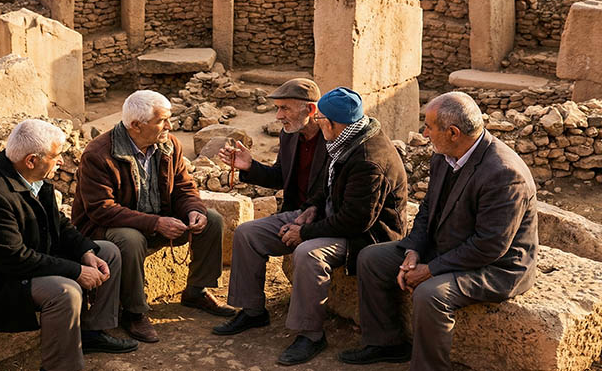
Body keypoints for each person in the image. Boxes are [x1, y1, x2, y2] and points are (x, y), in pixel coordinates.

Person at [339, 92, 538, 371]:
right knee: (371, 259)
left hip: (497, 266)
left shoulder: (503, 174)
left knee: (430, 293)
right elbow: (427, 211)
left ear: (453, 132)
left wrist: (430, 269)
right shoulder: (444, 157)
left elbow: (490, 246)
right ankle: (386, 343)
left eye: (429, 127)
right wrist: (413, 250)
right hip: (447, 248)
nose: (424, 132)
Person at [213, 87, 408, 366]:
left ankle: (310, 335)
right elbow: (325, 186)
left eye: (285, 108)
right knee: (248, 233)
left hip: (364, 235)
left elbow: (356, 221)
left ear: (325, 120)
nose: (279, 115)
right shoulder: (345, 138)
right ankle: (253, 311)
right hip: (326, 217)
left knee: (308, 252)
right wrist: (310, 209)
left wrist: (303, 232)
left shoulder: (367, 159)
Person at [0, 119, 137, 371]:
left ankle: (90, 333)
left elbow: (59, 224)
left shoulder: (31, 176)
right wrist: (76, 271)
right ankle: (61, 366)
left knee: (107, 252)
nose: (61, 162)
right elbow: (15, 260)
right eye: (56, 156)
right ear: (31, 160)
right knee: (65, 291)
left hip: (25, 259)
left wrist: (85, 252)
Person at [72, 90, 234, 344]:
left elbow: (183, 188)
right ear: (136, 125)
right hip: (105, 228)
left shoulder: (169, 145)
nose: (169, 126)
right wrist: (156, 222)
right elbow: (101, 209)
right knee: (130, 239)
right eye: (162, 121)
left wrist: (194, 210)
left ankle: (196, 290)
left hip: (155, 221)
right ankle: (134, 312)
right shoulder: (99, 154)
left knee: (211, 220)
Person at [218, 78, 327, 212]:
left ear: (310, 109)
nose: (278, 116)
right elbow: (280, 177)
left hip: (323, 218)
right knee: (245, 232)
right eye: (278, 108)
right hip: (293, 214)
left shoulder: (332, 138)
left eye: (284, 108)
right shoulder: (289, 134)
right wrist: (250, 166)